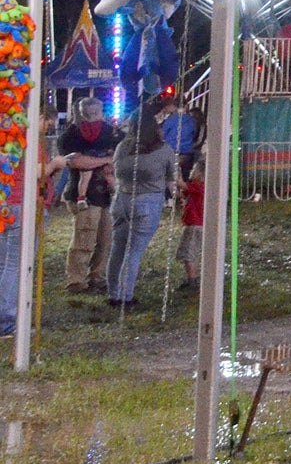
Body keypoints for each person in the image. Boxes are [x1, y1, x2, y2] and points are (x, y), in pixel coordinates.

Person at [106, 100, 178, 310]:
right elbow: (171, 179)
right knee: (134, 251)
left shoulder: (122, 148)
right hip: (148, 201)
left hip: (122, 198)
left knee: (118, 248)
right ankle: (126, 297)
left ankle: (113, 293)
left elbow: (116, 171)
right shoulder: (163, 150)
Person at [60, 98, 119, 296]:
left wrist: (96, 162)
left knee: (106, 239)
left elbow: (118, 160)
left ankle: (98, 277)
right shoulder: (72, 134)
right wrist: (104, 160)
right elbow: (77, 162)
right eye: (89, 111)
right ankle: (76, 280)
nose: (93, 115)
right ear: (81, 111)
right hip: (82, 195)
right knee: (84, 238)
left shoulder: (112, 132)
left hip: (108, 195)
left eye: (96, 111)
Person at [176, 162, 206, 292]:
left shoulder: (199, 186)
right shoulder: (199, 188)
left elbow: (181, 185)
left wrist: (177, 174)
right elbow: (182, 194)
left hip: (195, 225)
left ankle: (192, 281)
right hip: (197, 225)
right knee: (192, 252)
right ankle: (193, 278)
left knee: (189, 253)